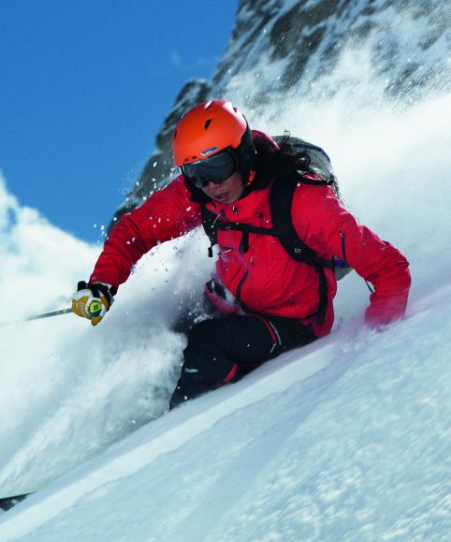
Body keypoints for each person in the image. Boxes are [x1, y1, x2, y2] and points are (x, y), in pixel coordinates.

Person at [71, 99, 411, 409]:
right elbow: (136, 230)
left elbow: (389, 269)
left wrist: (376, 342)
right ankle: (138, 414)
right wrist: (102, 284)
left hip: (292, 325)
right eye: (196, 174)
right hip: (234, 301)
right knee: (166, 329)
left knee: (207, 343)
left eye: (217, 167)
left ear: (244, 153)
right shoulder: (202, 194)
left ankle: (175, 432)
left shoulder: (301, 200)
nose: (210, 185)